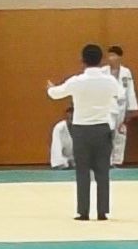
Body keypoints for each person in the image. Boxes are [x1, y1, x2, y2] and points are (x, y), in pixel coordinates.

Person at [47, 44, 120, 221]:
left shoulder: (77, 81)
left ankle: (83, 211)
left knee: (82, 171)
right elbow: (120, 94)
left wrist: (50, 88)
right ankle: (102, 212)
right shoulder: (110, 81)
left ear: (83, 60)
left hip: (81, 130)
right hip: (102, 128)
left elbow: (55, 94)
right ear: (101, 60)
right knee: (103, 171)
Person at [101, 46, 138, 167]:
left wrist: (130, 109)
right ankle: (107, 160)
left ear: (119, 57)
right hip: (107, 106)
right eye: (109, 56)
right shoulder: (103, 72)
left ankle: (117, 160)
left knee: (120, 133)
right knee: (107, 133)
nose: (111, 58)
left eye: (114, 55)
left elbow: (130, 91)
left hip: (121, 106)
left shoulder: (126, 72)